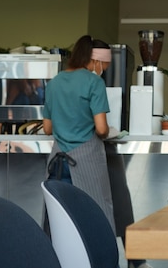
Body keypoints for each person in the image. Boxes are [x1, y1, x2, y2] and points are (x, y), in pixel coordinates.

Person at [42, 35, 115, 229]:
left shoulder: (54, 83)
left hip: (58, 162)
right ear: (95, 61)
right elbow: (101, 129)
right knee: (94, 215)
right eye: (104, 66)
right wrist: (108, 131)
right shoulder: (94, 83)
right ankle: (96, 259)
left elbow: (47, 128)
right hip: (86, 161)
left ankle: (62, 259)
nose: (103, 71)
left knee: (62, 217)